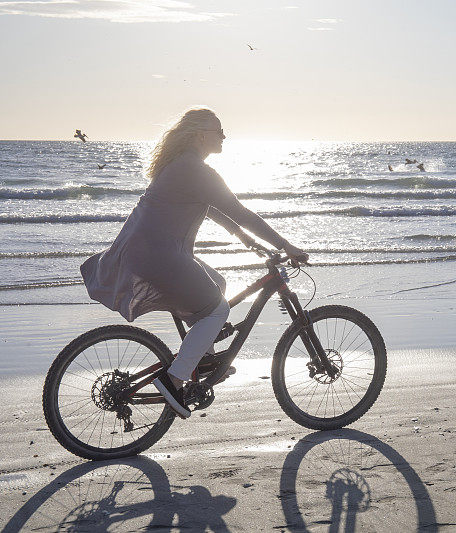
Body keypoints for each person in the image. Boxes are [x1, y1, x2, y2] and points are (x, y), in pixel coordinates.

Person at [80, 107, 307, 419]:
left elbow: (211, 207)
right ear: (202, 135)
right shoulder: (194, 169)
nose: (224, 136)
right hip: (160, 255)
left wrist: (244, 239)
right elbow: (238, 210)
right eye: (219, 131)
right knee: (218, 309)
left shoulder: (183, 166)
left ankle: (201, 359)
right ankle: (174, 380)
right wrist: (285, 245)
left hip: (151, 251)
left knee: (219, 286)